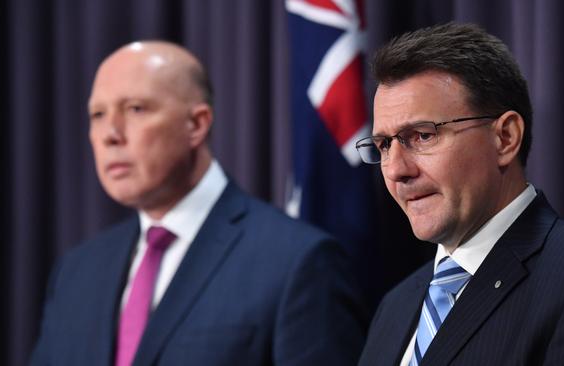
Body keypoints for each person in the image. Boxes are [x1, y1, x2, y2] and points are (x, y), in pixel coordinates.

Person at [31, 40, 367, 366]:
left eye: (135, 109)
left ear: (197, 124)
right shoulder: (76, 271)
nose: (109, 133)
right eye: (98, 114)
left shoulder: (298, 261)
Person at [356, 23, 564, 366]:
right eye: (384, 145)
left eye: (422, 136)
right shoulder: (395, 305)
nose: (397, 169)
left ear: (505, 138)